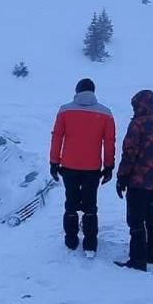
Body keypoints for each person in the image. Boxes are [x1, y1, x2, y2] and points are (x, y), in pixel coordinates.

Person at [49, 78, 116, 257]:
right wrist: (109, 166)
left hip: (69, 166)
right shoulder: (106, 113)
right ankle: (90, 244)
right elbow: (109, 142)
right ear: (93, 92)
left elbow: (57, 137)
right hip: (92, 168)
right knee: (90, 206)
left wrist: (54, 162)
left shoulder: (65, 111)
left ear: (77, 91)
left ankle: (71, 240)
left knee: (70, 203)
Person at [115, 90, 153, 272]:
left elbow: (129, 154)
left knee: (136, 221)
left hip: (138, 182)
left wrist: (121, 178)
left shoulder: (137, 125)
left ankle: (137, 260)